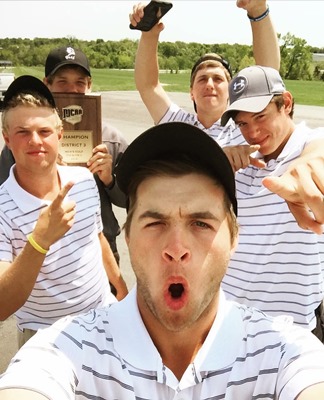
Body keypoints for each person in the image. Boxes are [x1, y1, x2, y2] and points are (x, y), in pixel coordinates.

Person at [0, 121, 324, 399]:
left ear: (234, 239)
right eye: (155, 223)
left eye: (201, 223)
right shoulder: (65, 348)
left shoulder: (283, 351)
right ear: (127, 237)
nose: (176, 248)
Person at [130, 0, 324, 234]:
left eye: (218, 79)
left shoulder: (244, 127)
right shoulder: (178, 126)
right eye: (202, 79)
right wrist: (149, 34)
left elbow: (268, 73)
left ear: (231, 91)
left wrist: (258, 11)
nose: (210, 84)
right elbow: (149, 87)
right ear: (191, 91)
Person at [0, 75, 127, 348]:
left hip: (102, 319)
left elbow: (97, 238)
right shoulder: (2, 208)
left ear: (59, 135)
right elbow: (2, 306)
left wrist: (122, 289)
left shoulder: (81, 179)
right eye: (23, 132)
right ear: (7, 138)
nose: (35, 141)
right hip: (44, 337)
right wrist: (40, 241)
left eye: (44, 131)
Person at [218, 65, 324, 339]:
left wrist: (305, 165)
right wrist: (216, 163)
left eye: (260, 116)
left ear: (286, 103)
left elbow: (318, 151)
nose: (252, 132)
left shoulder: (309, 145)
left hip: (292, 333)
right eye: (242, 123)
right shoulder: (237, 159)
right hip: (230, 324)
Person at [0, 45, 128, 270]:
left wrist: (110, 180)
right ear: (46, 83)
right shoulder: (25, 143)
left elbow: (128, 200)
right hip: (42, 253)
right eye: (62, 82)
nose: (73, 89)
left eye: (80, 82)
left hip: (99, 246)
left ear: (89, 85)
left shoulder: (110, 139)